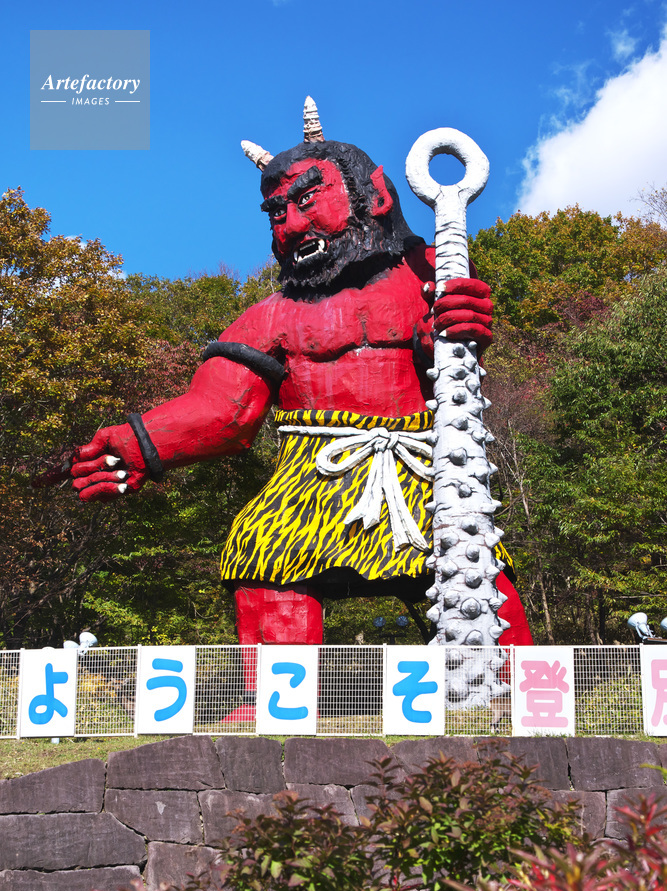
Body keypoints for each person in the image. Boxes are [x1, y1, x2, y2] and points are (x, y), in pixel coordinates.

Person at [71, 101, 532, 679]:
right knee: (261, 549)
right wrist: (136, 443)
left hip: (425, 472)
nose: (289, 225)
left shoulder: (429, 274)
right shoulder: (268, 317)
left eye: (307, 199)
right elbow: (223, 411)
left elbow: (451, 353)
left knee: (478, 567)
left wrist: (464, 322)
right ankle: (278, 699)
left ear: (376, 195)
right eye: (276, 213)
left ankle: (517, 688)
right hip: (309, 479)